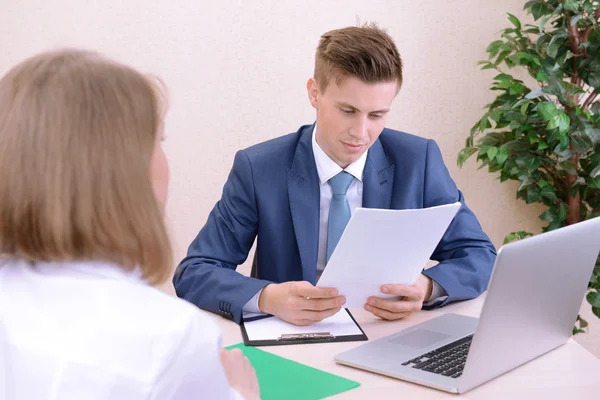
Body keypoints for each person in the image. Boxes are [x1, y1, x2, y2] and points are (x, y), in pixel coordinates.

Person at [173, 23, 496, 326]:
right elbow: (195, 270)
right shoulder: (259, 168)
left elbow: (480, 255)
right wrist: (268, 298)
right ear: (315, 93)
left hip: (387, 334)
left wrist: (427, 287)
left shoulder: (418, 161)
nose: (361, 132)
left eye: (377, 115)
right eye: (348, 111)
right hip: (293, 343)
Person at [0, 49, 259, 400]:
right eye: (159, 141)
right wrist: (241, 393)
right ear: (124, 172)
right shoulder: (174, 337)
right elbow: (199, 269)